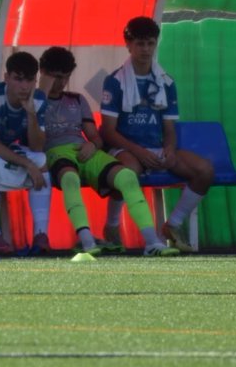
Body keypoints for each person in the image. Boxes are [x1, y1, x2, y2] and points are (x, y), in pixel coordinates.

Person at [38, 46, 179, 257]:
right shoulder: (33, 102)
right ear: (43, 73)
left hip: (84, 151)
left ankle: (152, 242)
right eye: (55, 77)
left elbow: (95, 135)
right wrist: (40, 94)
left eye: (65, 77)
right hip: (55, 153)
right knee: (69, 179)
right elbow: (33, 139)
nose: (60, 83)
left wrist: (92, 144)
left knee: (127, 176)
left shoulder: (77, 100)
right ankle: (86, 243)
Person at [100, 16, 213, 253]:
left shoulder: (167, 82)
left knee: (205, 171)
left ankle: (172, 225)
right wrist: (139, 152)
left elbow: (169, 128)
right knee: (128, 172)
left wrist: (169, 150)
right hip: (126, 149)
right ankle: (111, 226)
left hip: (156, 150)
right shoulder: (115, 81)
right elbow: (108, 131)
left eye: (150, 43)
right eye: (140, 44)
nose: (145, 49)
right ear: (128, 45)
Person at [0, 51, 51, 257]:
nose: (24, 86)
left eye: (30, 80)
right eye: (18, 79)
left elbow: (37, 146)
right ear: (6, 78)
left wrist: (31, 113)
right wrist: (27, 165)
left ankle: (41, 233)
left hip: (3, 146)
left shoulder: (38, 99)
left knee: (41, 160)